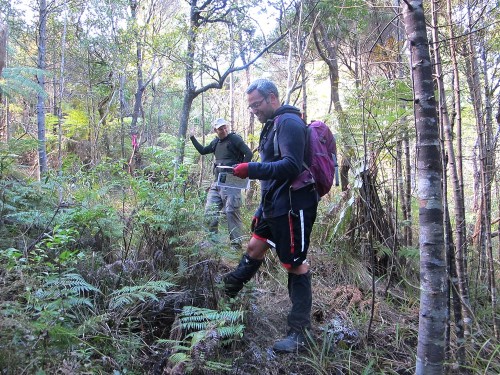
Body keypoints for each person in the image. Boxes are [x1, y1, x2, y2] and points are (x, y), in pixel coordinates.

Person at [225, 79, 320, 353]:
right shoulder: (272, 125)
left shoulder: (289, 122)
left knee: (294, 263)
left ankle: (300, 333)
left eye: (257, 104)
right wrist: (262, 204)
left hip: (292, 206)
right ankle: (224, 295)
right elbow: (272, 167)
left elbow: (291, 165)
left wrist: (251, 169)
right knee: (255, 246)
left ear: (272, 98)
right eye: (251, 105)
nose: (253, 110)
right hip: (273, 203)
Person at [190, 118, 253, 249]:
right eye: (220, 128)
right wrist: (192, 137)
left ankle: (236, 245)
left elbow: (248, 153)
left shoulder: (234, 139)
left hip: (232, 181)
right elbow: (202, 150)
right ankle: (211, 242)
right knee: (210, 211)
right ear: (215, 130)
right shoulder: (216, 143)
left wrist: (241, 169)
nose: (224, 130)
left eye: (225, 127)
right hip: (217, 181)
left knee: (231, 211)